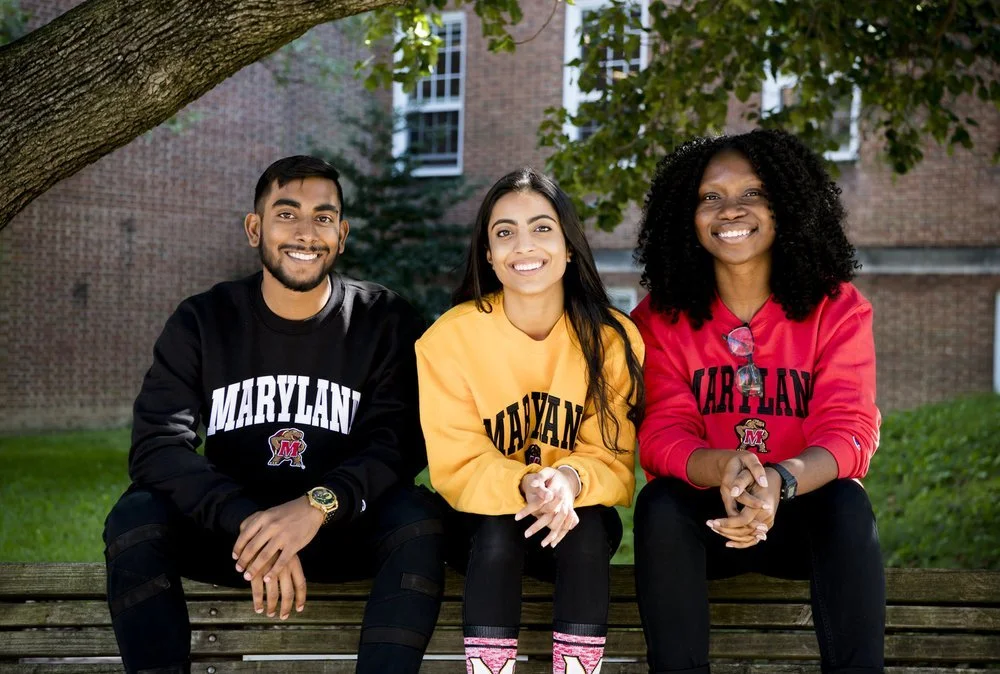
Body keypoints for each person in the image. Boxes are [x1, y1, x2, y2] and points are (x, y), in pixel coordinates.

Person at [102, 155, 445, 674]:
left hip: (339, 527)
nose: (306, 233)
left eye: (324, 218)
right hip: (233, 536)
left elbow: (398, 443)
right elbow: (157, 444)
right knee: (135, 518)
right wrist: (252, 525)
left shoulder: (384, 321)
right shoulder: (203, 320)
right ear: (254, 227)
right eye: (287, 214)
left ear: (343, 234)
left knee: (418, 522)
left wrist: (315, 506)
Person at [631, 129, 885, 673]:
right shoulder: (658, 319)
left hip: (800, 516)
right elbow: (661, 434)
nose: (730, 211)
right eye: (710, 196)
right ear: (687, 214)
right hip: (708, 525)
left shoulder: (836, 308)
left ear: (787, 205)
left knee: (847, 501)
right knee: (659, 505)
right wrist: (725, 467)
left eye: (752, 193)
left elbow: (851, 430)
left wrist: (780, 481)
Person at [416, 168, 645, 674]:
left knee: (585, 525)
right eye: (504, 232)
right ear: (488, 256)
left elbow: (612, 458)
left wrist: (567, 478)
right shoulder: (448, 341)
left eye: (542, 227)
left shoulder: (611, 339)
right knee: (499, 529)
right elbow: (456, 464)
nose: (524, 245)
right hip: (479, 526)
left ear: (568, 247)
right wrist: (525, 482)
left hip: (575, 519)